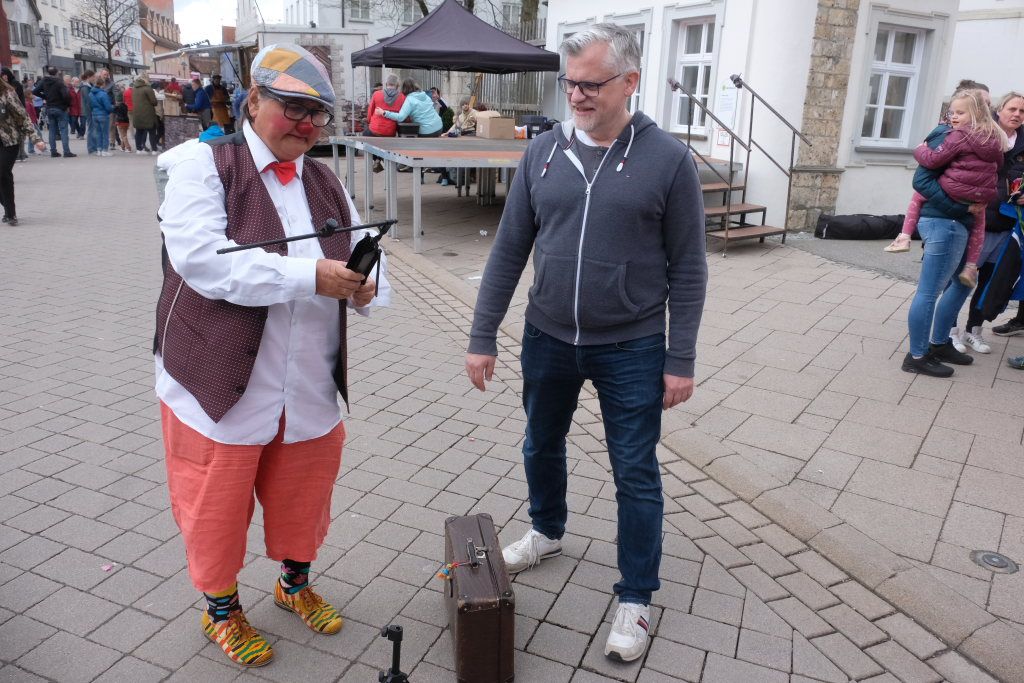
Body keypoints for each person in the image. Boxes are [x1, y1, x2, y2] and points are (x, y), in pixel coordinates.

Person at [465, 23, 707, 663]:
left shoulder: (668, 160)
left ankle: (636, 595)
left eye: (591, 84)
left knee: (634, 469)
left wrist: (680, 358)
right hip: (547, 335)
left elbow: (688, 268)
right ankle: (547, 530)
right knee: (540, 442)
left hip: (632, 345)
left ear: (629, 82)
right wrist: (482, 334)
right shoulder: (543, 152)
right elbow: (509, 249)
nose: (575, 95)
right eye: (569, 82)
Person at [155, 43, 388, 668]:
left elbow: (363, 244)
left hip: (308, 377)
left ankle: (293, 585)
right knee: (216, 504)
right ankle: (220, 610)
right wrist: (310, 276)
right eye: (294, 108)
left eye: (319, 114)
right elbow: (203, 261)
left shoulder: (324, 178)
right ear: (254, 100)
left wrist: (367, 283)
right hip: (221, 379)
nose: (308, 126)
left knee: (303, 494)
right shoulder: (203, 165)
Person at [886, 90, 1005, 289]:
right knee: (979, 224)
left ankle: (904, 236)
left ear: (975, 113)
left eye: (960, 113)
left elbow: (934, 160)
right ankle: (971, 266)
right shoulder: (994, 138)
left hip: (955, 191)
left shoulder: (958, 136)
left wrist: (920, 149)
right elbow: (999, 165)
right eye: (952, 113)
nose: (954, 117)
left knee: (919, 195)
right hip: (981, 195)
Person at [0, 75, 47, 224]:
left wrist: (36, 139)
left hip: (9, 141)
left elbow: (23, 117)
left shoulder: (7, 94)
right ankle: (7, 207)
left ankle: (11, 213)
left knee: (3, 173)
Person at [32, 67, 75, 158]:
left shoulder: (44, 81)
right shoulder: (59, 82)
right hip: (60, 108)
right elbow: (66, 95)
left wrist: (45, 97)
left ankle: (53, 151)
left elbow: (35, 91)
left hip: (50, 107)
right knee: (63, 130)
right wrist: (67, 105)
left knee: (52, 130)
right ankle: (66, 151)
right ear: (57, 73)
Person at [377, 78, 442, 137]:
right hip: (439, 127)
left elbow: (400, 117)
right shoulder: (425, 95)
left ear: (404, 88)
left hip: (426, 131)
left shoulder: (410, 100)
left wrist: (384, 113)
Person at [365, 73, 405, 138]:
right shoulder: (402, 97)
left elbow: (370, 112)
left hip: (374, 129)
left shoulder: (376, 94)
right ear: (397, 85)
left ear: (386, 84)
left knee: (364, 136)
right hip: (390, 131)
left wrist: (369, 122)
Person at [131, 76, 159, 154]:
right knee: (152, 132)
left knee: (139, 131)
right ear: (145, 80)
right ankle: (154, 150)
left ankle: (138, 149)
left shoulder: (134, 89)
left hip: (137, 113)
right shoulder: (148, 88)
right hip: (148, 113)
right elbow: (154, 102)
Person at [88, 77, 113, 157]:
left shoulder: (90, 93)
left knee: (98, 133)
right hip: (103, 114)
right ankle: (105, 150)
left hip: (94, 114)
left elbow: (89, 105)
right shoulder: (103, 94)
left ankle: (99, 150)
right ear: (103, 84)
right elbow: (108, 107)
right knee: (105, 133)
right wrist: (111, 109)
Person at [79, 71, 94, 149]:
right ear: (88, 77)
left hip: (89, 110)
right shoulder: (85, 87)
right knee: (91, 129)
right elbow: (88, 100)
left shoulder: (88, 86)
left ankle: (92, 147)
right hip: (88, 110)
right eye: (93, 77)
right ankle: (91, 147)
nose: (94, 78)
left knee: (91, 128)